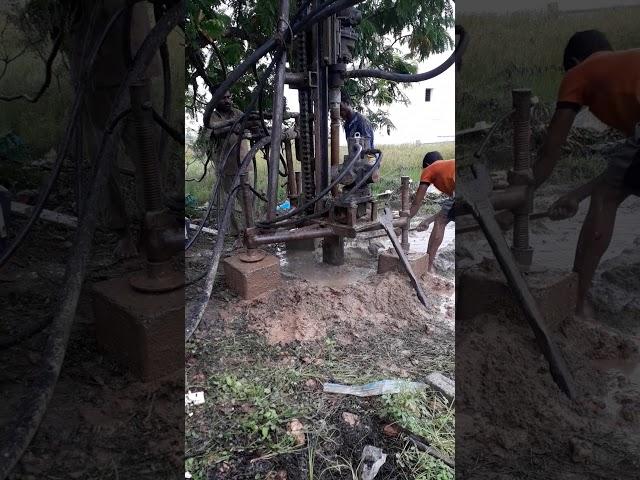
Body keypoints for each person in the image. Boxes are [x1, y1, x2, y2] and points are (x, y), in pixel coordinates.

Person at [532, 30, 640, 316]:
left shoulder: (579, 73)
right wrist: (577, 194)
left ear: (575, 62)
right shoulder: (625, 69)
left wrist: (525, 193)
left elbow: (549, 153)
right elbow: (623, 175)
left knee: (605, 199)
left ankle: (576, 305)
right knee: (609, 191)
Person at [206, 88, 250, 247]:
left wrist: (239, 126)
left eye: (229, 97)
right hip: (225, 168)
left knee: (247, 201)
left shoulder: (238, 113)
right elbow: (214, 131)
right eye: (224, 98)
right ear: (216, 100)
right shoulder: (211, 116)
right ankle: (237, 234)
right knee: (229, 203)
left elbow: (247, 126)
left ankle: (249, 232)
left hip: (243, 164)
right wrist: (232, 126)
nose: (228, 100)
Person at [409, 151, 455, 272]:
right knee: (443, 218)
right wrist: (428, 221)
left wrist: (405, 221)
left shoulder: (429, 169)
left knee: (440, 222)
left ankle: (427, 267)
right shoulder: (447, 167)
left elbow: (416, 203)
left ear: (428, 164)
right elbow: (448, 210)